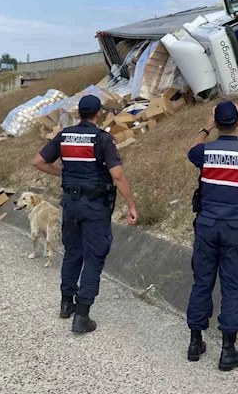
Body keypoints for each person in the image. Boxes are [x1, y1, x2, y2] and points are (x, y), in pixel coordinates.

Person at [32, 94, 138, 334]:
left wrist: (63, 175)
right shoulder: (102, 139)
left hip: (69, 204)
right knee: (94, 257)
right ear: (98, 113)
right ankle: (82, 316)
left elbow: (38, 161)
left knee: (72, 253)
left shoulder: (64, 135)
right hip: (95, 208)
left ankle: (66, 304)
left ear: (78, 113)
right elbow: (118, 175)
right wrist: (131, 204)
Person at [185, 100, 238, 371]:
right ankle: (227, 351)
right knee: (231, 287)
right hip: (235, 229)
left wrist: (206, 128)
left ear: (217, 122)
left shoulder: (204, 152)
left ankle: (195, 344)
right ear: (237, 122)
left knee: (202, 283)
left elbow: (191, 149)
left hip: (206, 226)